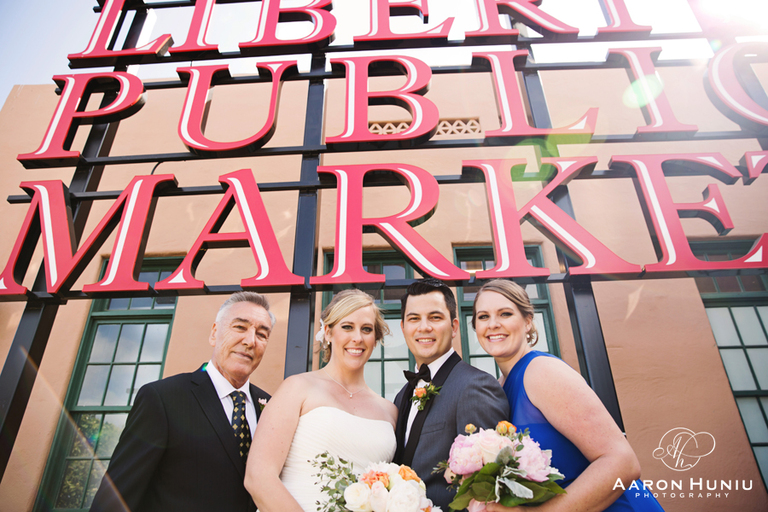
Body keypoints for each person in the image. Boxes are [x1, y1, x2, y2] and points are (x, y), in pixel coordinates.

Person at [472, 279, 664, 512]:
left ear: (528, 321)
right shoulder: (499, 389)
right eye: (483, 317)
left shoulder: (542, 371)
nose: (493, 324)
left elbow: (622, 462)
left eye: (505, 314)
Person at [90, 291, 275, 512]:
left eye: (262, 334)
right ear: (214, 333)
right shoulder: (163, 398)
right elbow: (117, 496)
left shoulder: (272, 408)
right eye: (240, 327)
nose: (250, 341)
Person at [245, 289, 398, 512]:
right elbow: (258, 477)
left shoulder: (390, 411)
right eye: (347, 327)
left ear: (375, 340)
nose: (357, 337)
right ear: (328, 332)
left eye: (366, 329)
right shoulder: (297, 388)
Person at [394, 278, 510, 511]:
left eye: (435, 318)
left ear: (454, 326)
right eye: (414, 318)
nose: (424, 327)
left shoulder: (475, 386)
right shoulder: (402, 395)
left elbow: (486, 493)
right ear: (403, 327)